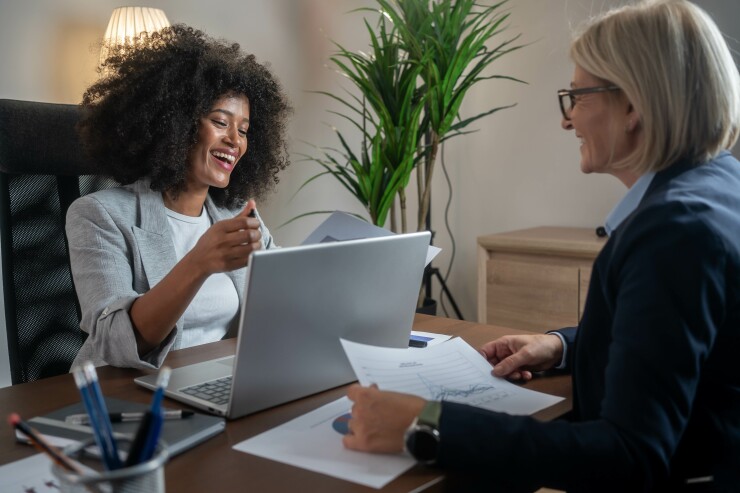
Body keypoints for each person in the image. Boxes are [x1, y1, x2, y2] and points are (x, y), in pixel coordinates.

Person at [343, 1, 740, 491]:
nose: (567, 120)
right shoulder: (720, 184)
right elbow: (674, 337)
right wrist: (563, 344)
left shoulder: (673, 230)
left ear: (634, 105)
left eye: (578, 97)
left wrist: (427, 423)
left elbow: (629, 457)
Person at [67, 25, 292, 370]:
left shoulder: (236, 215)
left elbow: (286, 297)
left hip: (222, 380)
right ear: (175, 124)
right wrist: (199, 262)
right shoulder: (98, 215)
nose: (235, 140)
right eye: (221, 122)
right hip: (134, 394)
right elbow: (113, 342)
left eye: (244, 130)